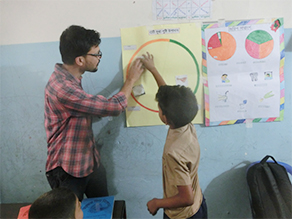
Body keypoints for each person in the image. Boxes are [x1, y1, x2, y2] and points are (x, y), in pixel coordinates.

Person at [44, 25, 144, 201]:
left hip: (89, 162)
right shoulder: (63, 88)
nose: (99, 58)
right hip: (67, 168)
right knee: (72, 213)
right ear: (80, 60)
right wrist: (131, 79)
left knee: (101, 209)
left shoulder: (70, 78)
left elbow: (87, 108)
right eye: (96, 54)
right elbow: (113, 108)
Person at [140, 52, 207, 219]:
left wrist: (157, 203)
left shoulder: (173, 153)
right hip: (199, 204)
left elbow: (186, 198)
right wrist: (153, 69)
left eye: (159, 108)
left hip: (182, 215)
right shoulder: (186, 124)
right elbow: (169, 97)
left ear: (165, 118)